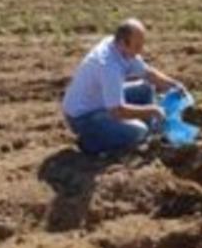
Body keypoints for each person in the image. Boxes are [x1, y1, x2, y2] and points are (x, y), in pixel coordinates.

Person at [62, 18, 183, 155]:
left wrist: (175, 85)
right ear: (122, 43)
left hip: (101, 102)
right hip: (82, 117)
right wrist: (153, 110)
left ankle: (147, 135)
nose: (141, 51)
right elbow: (117, 111)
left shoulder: (118, 47)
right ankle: (91, 141)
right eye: (137, 46)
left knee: (145, 88)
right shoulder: (109, 66)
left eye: (142, 45)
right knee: (139, 131)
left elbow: (147, 73)